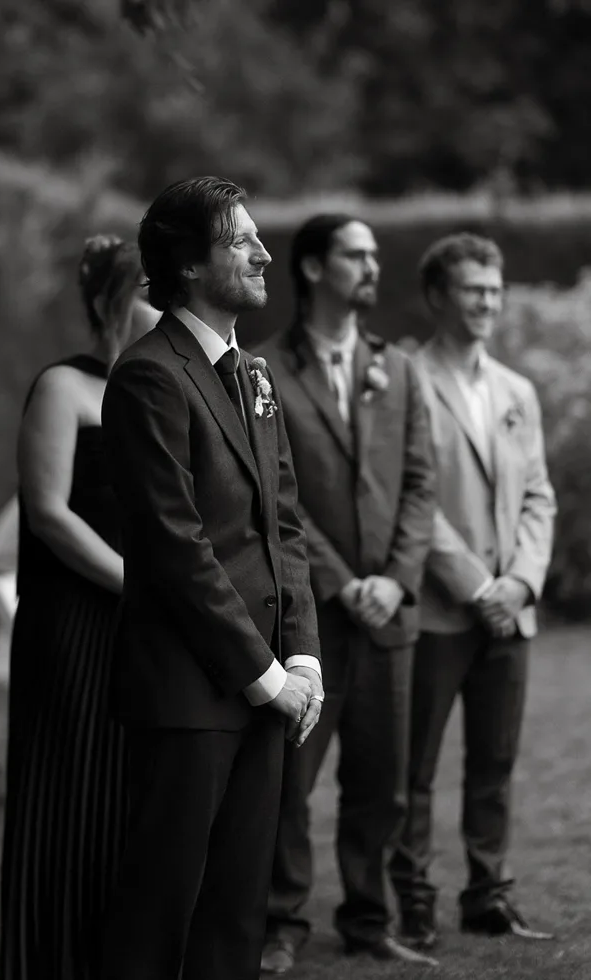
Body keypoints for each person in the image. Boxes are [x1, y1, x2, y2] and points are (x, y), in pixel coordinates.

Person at [99, 176, 323, 980]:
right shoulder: (149, 375)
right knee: (159, 910)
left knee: (235, 911)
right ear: (190, 266)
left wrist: (302, 657)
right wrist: (264, 675)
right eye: (241, 242)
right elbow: (174, 546)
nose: (265, 254)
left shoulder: (253, 374)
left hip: (266, 688)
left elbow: (282, 529)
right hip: (190, 694)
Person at [257, 214, 437, 973]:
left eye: (373, 255)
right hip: (309, 618)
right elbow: (275, 496)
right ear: (311, 269)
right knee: (288, 784)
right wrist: (340, 580)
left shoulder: (398, 368)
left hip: (390, 616)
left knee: (381, 783)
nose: (372, 267)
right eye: (354, 255)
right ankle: (280, 922)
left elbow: (422, 486)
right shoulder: (264, 369)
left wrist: (394, 581)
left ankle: (368, 919)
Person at [390, 233, 557, 949]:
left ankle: (488, 895)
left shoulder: (517, 389)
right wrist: (477, 584)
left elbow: (539, 495)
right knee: (415, 769)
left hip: (508, 616)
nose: (488, 301)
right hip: (436, 611)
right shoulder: (405, 379)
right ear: (436, 296)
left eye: (495, 289)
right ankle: (415, 900)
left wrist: (520, 583)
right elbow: (409, 500)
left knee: (495, 764)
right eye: (472, 289)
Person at [0, 235, 156, 980]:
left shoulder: (161, 391)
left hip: (145, 624)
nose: (164, 308)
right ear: (108, 303)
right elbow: (49, 513)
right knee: (70, 791)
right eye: (150, 293)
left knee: (129, 796)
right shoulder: (63, 387)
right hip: (72, 622)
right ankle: (50, 958)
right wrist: (138, 584)